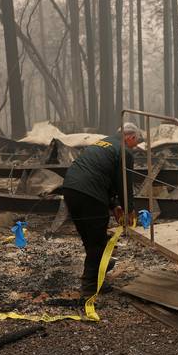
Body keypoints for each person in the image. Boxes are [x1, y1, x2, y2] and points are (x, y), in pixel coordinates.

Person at [62, 122, 143, 297]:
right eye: (135, 143)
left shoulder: (103, 143)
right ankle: (91, 285)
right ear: (131, 137)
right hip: (90, 193)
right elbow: (124, 183)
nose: (134, 148)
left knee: (90, 236)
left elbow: (104, 176)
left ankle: (99, 269)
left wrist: (114, 205)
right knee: (97, 241)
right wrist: (129, 209)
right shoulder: (124, 151)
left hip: (70, 188)